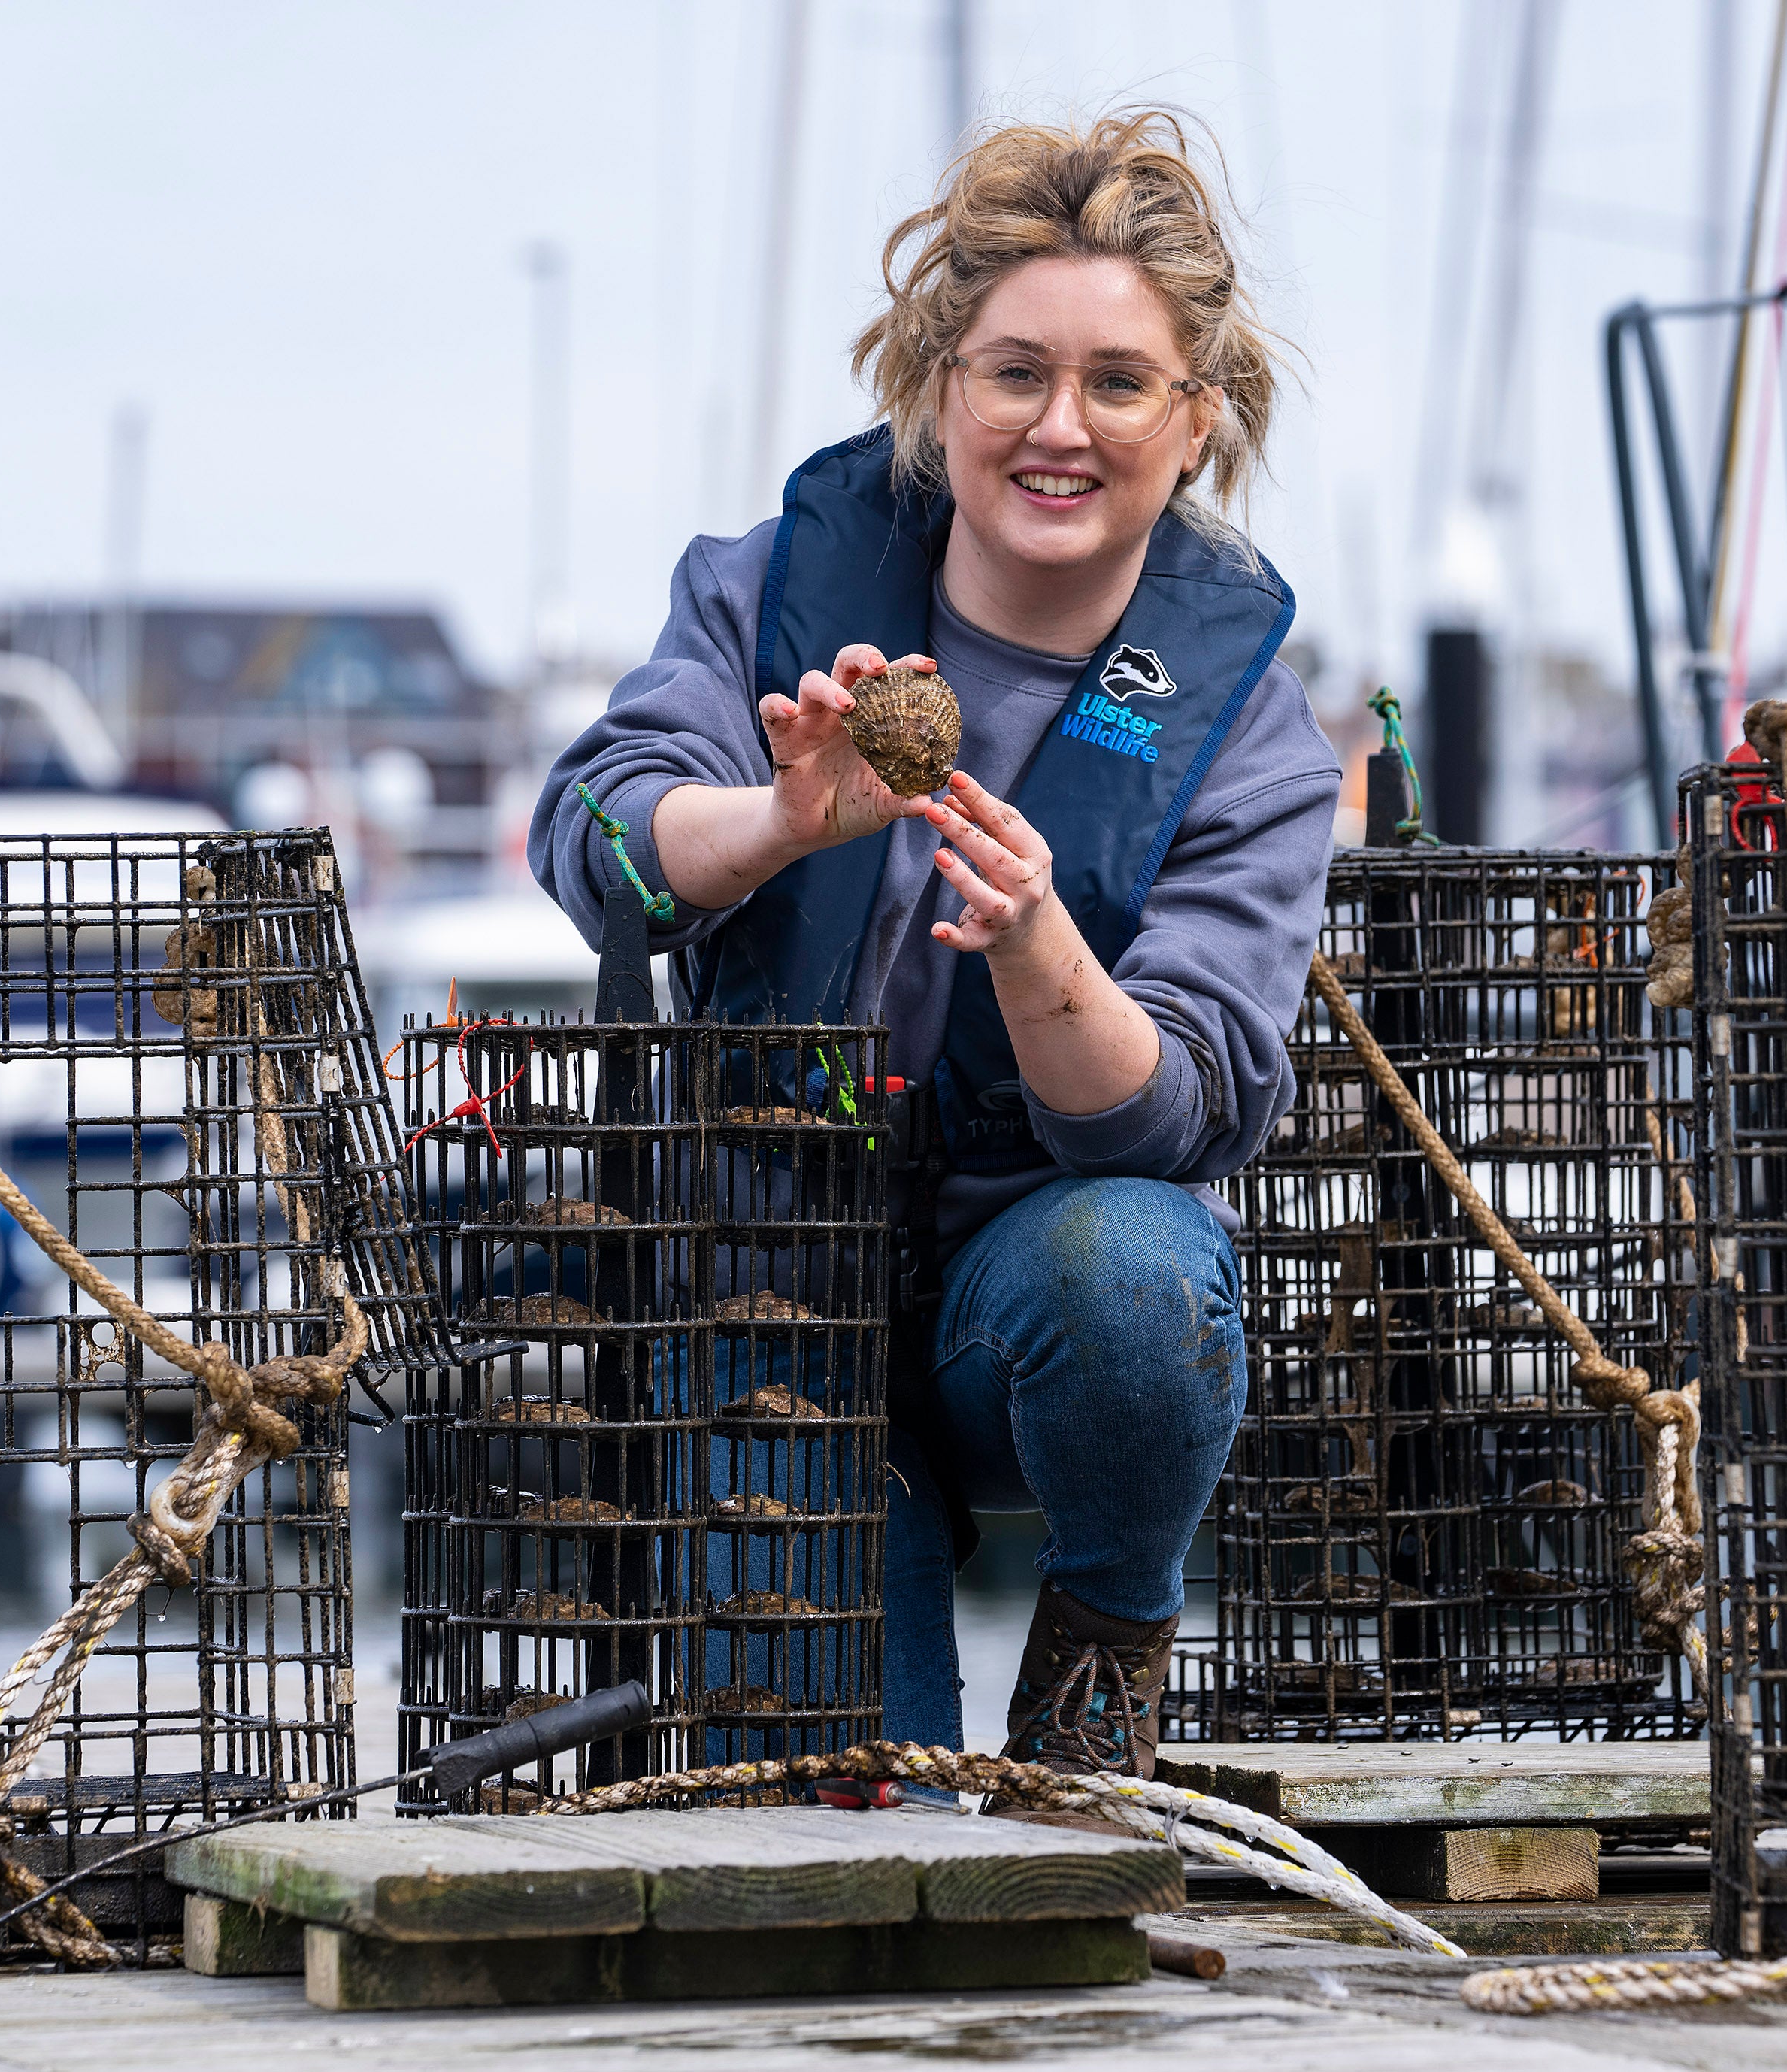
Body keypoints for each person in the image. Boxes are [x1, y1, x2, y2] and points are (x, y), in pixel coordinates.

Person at [532, 108, 1336, 1789]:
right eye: (1013, 373)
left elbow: (1182, 1109)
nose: (1062, 426)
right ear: (938, 386)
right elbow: (599, 834)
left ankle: (1108, 1627)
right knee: (854, 1803)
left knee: (1136, 1268)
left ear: (1193, 424)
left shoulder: (1247, 733)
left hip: (1027, 1288)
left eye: (1120, 383)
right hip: (770, 1291)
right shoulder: (768, 588)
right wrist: (774, 823)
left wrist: (1040, 944)